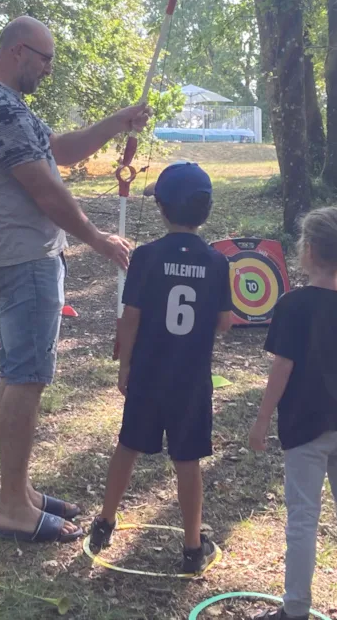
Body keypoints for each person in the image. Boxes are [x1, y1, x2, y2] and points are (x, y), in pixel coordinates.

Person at [0, 16, 152, 544]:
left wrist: (118, 121)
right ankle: (12, 509)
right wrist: (99, 240)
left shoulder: (4, 104)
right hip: (24, 260)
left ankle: (18, 493)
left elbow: (59, 152)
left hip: (17, 256)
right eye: (45, 59)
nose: (48, 69)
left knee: (16, 374)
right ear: (19, 51)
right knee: (25, 379)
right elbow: (46, 190)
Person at [88, 161, 232, 574]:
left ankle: (104, 522)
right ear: (204, 210)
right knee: (188, 459)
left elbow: (130, 316)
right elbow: (224, 322)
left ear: (163, 209)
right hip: (191, 382)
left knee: (129, 444)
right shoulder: (218, 262)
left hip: (149, 374)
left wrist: (125, 366)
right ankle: (191, 547)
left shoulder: (147, 256)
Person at [248, 207, 337, 620]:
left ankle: (296, 610)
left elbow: (282, 368)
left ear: (307, 250)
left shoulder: (293, 305)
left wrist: (263, 419)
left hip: (306, 427)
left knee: (303, 519)